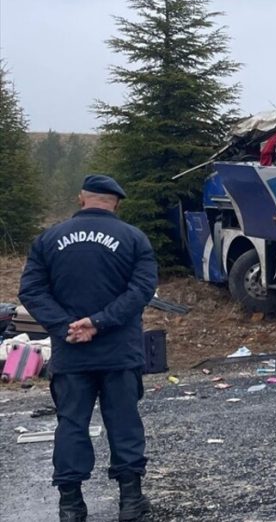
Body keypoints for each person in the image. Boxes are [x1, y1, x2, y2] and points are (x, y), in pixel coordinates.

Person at [18, 175, 158, 522]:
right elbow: (141, 291)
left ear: (82, 198)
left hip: (70, 352)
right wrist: (98, 322)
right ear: (116, 203)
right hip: (119, 352)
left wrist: (66, 325)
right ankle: (130, 501)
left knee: (71, 424)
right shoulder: (134, 238)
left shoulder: (48, 239)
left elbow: (31, 290)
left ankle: (71, 506)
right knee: (124, 421)